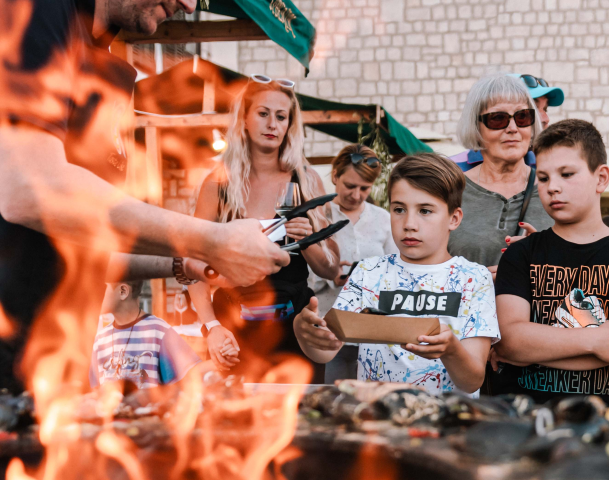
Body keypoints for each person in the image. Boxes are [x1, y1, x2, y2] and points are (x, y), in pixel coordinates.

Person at [0, 0, 283, 411]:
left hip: (18, 361)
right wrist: (211, 239)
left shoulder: (88, 46)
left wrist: (181, 262)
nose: (189, 4)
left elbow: (73, 234)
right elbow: (30, 189)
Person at [292, 154, 497, 393]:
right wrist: (304, 330)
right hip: (376, 413)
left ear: (454, 218)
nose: (409, 223)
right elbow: (326, 350)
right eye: (399, 209)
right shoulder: (367, 273)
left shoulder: (474, 279)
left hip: (446, 415)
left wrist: (452, 351)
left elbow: (472, 381)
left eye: (425, 211)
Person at [494, 119, 609, 408]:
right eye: (543, 178)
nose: (552, 187)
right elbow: (509, 340)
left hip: (606, 420)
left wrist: (533, 346)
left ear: (601, 178)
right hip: (525, 418)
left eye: (567, 174)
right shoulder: (520, 253)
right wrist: (598, 342)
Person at [192, 75, 339, 382]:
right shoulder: (218, 184)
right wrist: (212, 328)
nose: (272, 124)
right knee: (236, 409)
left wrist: (308, 240)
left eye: (281, 117)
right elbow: (192, 264)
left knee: (302, 411)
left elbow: (331, 269)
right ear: (244, 119)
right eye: (263, 113)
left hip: (296, 330)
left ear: (289, 126)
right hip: (235, 332)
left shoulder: (306, 179)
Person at [306, 144, 398, 383]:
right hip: (328, 328)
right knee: (331, 395)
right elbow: (304, 273)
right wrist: (330, 274)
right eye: (350, 186)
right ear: (335, 176)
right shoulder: (317, 217)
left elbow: (397, 270)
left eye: (364, 188)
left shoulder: (383, 219)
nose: (356, 195)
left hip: (372, 332)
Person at [447, 73, 554, 275]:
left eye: (522, 117)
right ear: (476, 127)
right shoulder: (450, 191)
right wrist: (476, 282)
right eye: (498, 119)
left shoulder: (555, 191)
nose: (513, 128)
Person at [90, 280, 201, 389]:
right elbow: (94, 391)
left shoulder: (159, 331)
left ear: (123, 291)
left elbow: (192, 378)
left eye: (100, 287)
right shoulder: (100, 340)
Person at [448, 72, 566, 171]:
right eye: (499, 117)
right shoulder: (451, 171)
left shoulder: (549, 169)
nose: (545, 119)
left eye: (545, 109)